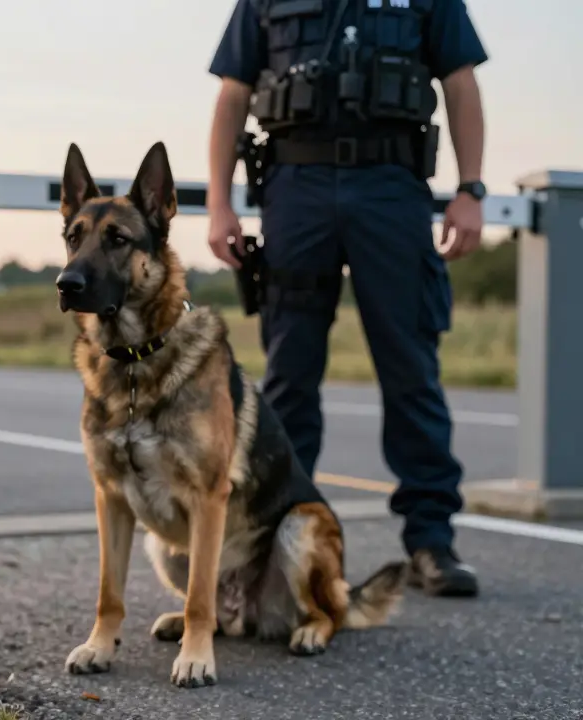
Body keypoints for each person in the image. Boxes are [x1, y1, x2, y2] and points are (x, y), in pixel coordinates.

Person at [205, 0, 488, 597]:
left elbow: (460, 82)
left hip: (390, 187)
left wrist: (470, 189)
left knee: (411, 369)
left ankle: (431, 542)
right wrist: (219, 203)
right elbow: (234, 94)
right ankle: (275, 543)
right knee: (289, 376)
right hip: (296, 189)